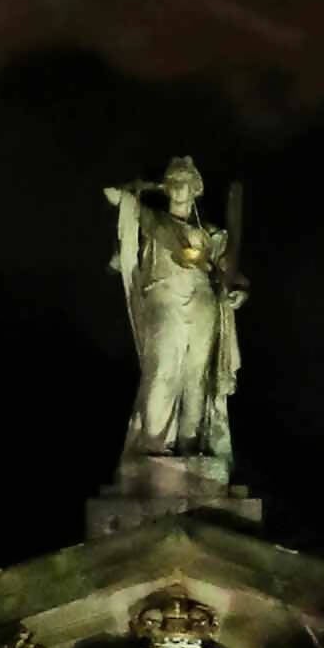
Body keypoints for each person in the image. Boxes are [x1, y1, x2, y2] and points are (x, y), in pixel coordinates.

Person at [104, 157, 244, 475]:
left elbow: (231, 274)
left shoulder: (210, 234)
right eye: (173, 180)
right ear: (167, 187)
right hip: (164, 299)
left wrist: (238, 292)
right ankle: (153, 446)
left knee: (197, 377)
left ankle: (190, 446)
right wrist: (128, 196)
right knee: (162, 369)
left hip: (203, 302)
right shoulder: (153, 221)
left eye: (185, 180)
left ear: (196, 188)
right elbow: (115, 197)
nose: (179, 186)